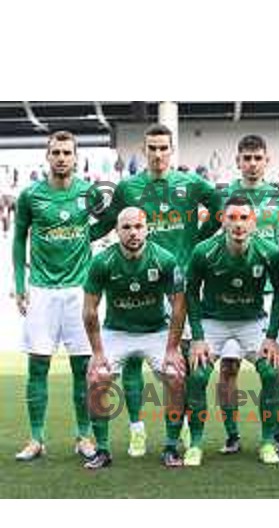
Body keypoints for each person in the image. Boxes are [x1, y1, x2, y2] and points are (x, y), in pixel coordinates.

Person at [93, 123, 220, 463]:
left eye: (164, 148)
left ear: (172, 149)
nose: (159, 154)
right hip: (140, 277)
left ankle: (182, 440)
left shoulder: (190, 183)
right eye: (153, 148)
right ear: (144, 149)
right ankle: (136, 430)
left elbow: (220, 208)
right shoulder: (128, 187)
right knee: (132, 360)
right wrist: (79, 232)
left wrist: (199, 240)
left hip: (180, 285)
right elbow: (107, 223)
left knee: (182, 368)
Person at [12, 130, 104, 461]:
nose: (62, 157)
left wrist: (86, 237)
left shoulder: (88, 193)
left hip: (79, 292)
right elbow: (18, 238)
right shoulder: (30, 196)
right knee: (38, 366)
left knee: (84, 368)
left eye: (67, 152)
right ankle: (36, 439)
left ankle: (84, 436)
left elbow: (108, 222)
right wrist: (20, 286)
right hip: (41, 291)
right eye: (56, 152)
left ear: (76, 157)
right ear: (47, 157)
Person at [186, 195, 279, 465]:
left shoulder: (270, 252)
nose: (238, 224)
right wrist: (197, 337)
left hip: (252, 322)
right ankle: (195, 444)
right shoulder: (203, 251)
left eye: (244, 218)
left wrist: (271, 337)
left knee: (271, 369)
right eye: (232, 218)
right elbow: (191, 293)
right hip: (213, 322)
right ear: (222, 220)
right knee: (196, 376)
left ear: (253, 222)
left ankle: (268, 441)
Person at [210, 134, 279, 454]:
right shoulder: (225, 196)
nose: (252, 164)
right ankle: (232, 435)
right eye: (246, 158)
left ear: (267, 160)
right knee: (228, 368)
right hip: (234, 295)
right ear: (237, 161)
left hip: (272, 293)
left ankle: (273, 434)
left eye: (258, 158)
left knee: (275, 367)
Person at [82, 207, 186, 469]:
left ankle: (172, 446)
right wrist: (97, 353)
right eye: (126, 228)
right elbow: (90, 311)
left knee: (175, 375)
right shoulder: (102, 262)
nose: (133, 232)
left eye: (138, 226)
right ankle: (103, 450)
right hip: (117, 332)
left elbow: (178, 307)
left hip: (156, 331)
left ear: (147, 228)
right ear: (116, 231)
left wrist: (173, 348)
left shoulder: (165, 260)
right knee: (96, 377)